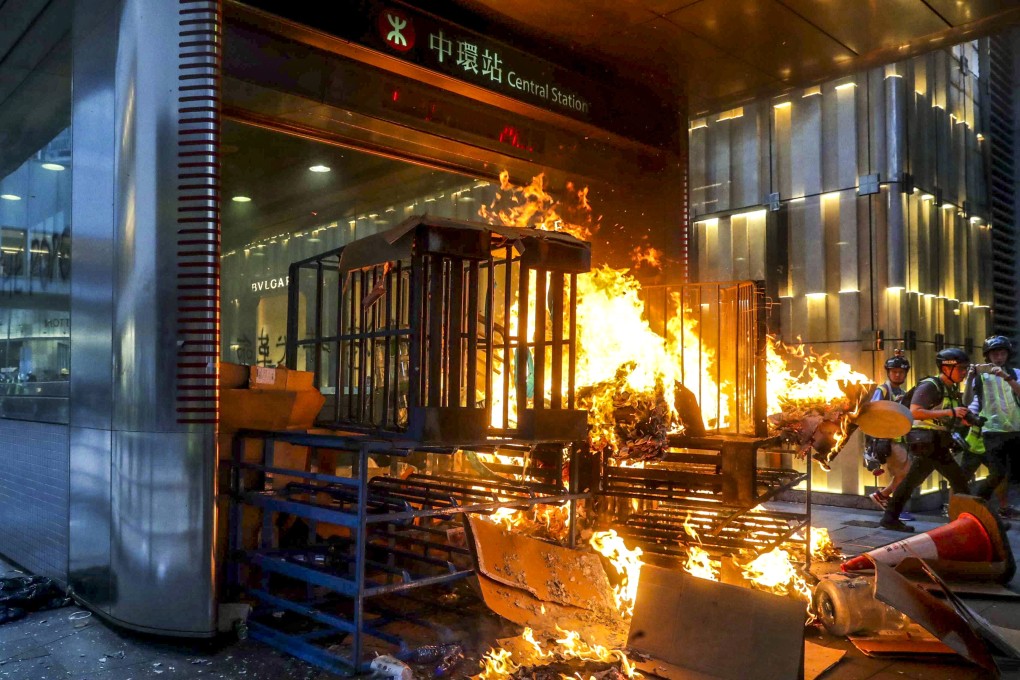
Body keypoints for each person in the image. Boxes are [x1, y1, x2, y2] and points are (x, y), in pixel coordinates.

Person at [879, 348, 973, 533]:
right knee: (958, 480)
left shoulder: (950, 388)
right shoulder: (930, 385)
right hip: (927, 442)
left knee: (913, 481)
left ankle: (889, 517)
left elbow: (945, 414)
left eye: (966, 369)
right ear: (947, 368)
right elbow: (914, 412)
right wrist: (949, 412)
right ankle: (973, 520)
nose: (964, 373)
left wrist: (961, 417)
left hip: (937, 442)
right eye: (961, 369)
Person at [966, 335, 1020, 518]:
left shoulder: (1016, 373)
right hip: (991, 431)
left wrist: (1007, 378)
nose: (999, 357)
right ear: (987, 356)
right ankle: (977, 506)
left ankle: (1000, 508)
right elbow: (970, 401)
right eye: (994, 354)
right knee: (997, 473)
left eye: (1002, 353)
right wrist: (969, 379)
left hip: (1015, 429)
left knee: (1010, 476)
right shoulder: (981, 377)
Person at [866, 351, 913, 519]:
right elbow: (873, 411)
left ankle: (890, 503)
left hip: (899, 439)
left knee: (902, 473)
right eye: (894, 371)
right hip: (887, 440)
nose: (898, 374)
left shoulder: (902, 391)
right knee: (906, 473)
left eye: (901, 372)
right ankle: (885, 498)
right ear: (888, 372)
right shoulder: (883, 389)